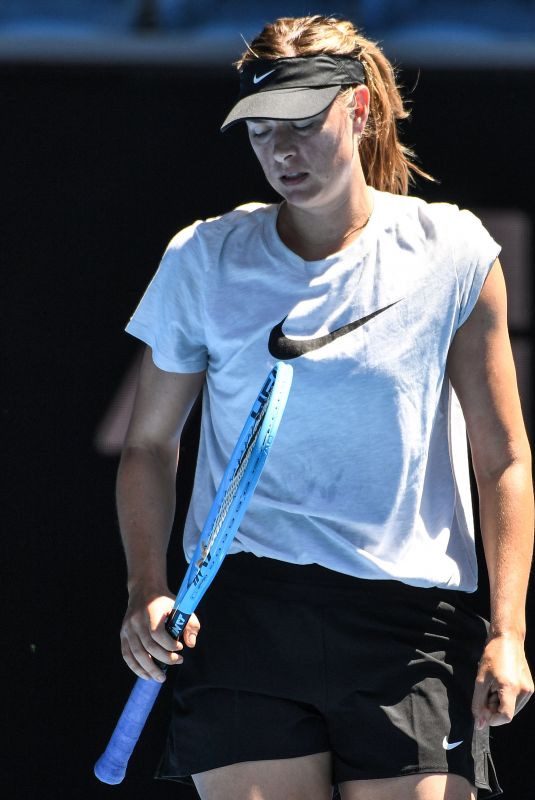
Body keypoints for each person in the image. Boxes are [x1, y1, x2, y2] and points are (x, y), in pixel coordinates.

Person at [117, 14, 533, 800]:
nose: (281, 153)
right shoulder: (202, 258)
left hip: (409, 627)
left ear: (361, 110)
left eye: (304, 127)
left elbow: (503, 458)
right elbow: (146, 447)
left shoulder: (455, 253)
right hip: (241, 618)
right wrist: (146, 589)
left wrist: (508, 632)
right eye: (261, 132)